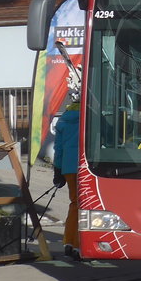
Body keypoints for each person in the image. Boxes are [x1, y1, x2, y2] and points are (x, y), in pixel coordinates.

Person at [52, 95, 81, 259]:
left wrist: (58, 170)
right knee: (84, 206)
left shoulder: (63, 120)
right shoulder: (89, 118)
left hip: (68, 168)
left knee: (74, 204)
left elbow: (58, 148)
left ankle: (68, 242)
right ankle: (78, 244)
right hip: (86, 167)